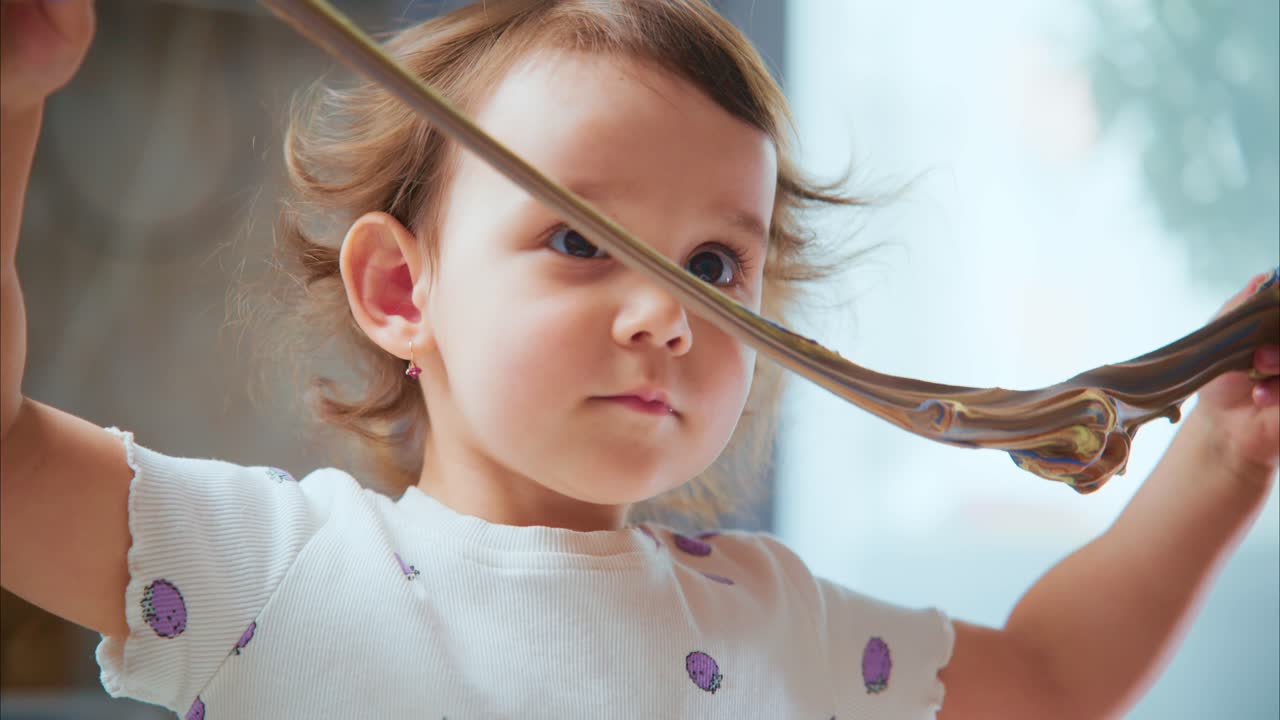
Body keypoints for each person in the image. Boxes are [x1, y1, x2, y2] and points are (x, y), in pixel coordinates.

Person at [2, 1, 1276, 718]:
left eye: (713, 268)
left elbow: (1049, 682)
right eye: (577, 239)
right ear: (402, 289)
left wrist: (1220, 450)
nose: (666, 316)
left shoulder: (777, 628)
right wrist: (10, 99)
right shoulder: (267, 574)